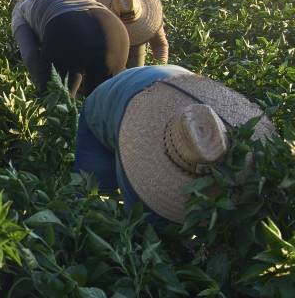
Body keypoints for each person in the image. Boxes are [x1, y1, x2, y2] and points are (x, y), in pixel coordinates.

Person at [74, 65, 277, 224]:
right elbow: (141, 219)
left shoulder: (208, 122)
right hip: (103, 102)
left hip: (176, 82)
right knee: (93, 192)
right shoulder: (136, 143)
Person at [9, 0, 129, 97]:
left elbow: (30, 54)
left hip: (67, 30)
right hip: (115, 31)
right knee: (101, 103)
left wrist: (43, 87)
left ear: (16, 0)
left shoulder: (19, 9)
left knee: (62, 106)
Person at [95, 0, 169, 68]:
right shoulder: (98, 14)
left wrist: (158, 68)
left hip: (135, 52)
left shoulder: (150, 19)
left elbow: (160, 45)